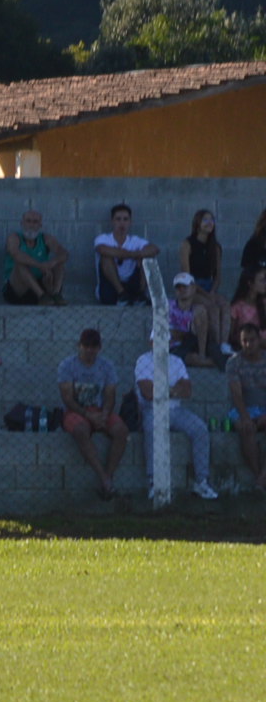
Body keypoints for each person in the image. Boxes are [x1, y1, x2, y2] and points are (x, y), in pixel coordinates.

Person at [132, 338, 218, 501]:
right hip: (152, 410)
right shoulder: (143, 360)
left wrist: (161, 389)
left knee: (200, 429)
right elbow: (147, 393)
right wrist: (172, 389)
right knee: (151, 430)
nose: (161, 345)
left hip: (176, 410)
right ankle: (153, 482)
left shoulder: (176, 361)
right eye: (156, 341)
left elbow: (187, 391)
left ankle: (202, 481)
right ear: (150, 342)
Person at [55, 327, 128, 502]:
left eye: (93, 347)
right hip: (75, 411)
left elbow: (110, 395)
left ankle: (108, 477)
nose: (89, 350)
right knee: (80, 430)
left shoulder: (106, 366)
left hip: (100, 410)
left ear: (99, 348)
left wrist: (104, 414)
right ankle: (103, 477)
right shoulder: (67, 365)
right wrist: (88, 415)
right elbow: (67, 398)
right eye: (85, 346)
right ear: (78, 346)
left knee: (121, 431)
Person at [225, 320, 266, 494]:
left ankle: (261, 480)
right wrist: (246, 416)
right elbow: (236, 394)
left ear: (260, 340)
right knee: (246, 430)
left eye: (252, 340)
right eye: (244, 341)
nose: (248, 344)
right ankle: (260, 479)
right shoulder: (234, 362)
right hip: (244, 409)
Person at [1, 205, 68, 305]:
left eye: (35, 222)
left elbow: (64, 253)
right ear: (22, 223)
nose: (31, 225)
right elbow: (16, 254)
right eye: (28, 221)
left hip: (41, 283)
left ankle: (56, 295)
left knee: (60, 264)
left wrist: (52, 263)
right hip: (18, 289)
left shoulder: (46, 238)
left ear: (40, 225)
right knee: (20, 264)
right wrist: (40, 265)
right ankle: (41, 295)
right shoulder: (14, 238)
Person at [93, 203, 155, 306]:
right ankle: (122, 294)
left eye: (125, 219)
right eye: (118, 219)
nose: (122, 223)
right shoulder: (103, 238)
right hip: (110, 286)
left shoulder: (135, 240)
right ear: (112, 221)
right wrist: (135, 255)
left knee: (147, 257)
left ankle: (140, 294)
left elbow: (154, 249)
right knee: (106, 258)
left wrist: (136, 255)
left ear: (130, 222)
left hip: (132, 283)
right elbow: (102, 249)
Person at [185, 208, 225, 296]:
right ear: (197, 223)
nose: (209, 222)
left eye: (212, 220)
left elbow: (217, 276)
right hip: (193, 287)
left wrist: (212, 291)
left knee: (224, 305)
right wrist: (205, 295)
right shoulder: (187, 244)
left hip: (209, 286)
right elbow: (186, 275)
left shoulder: (215, 247)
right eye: (205, 220)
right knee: (210, 307)